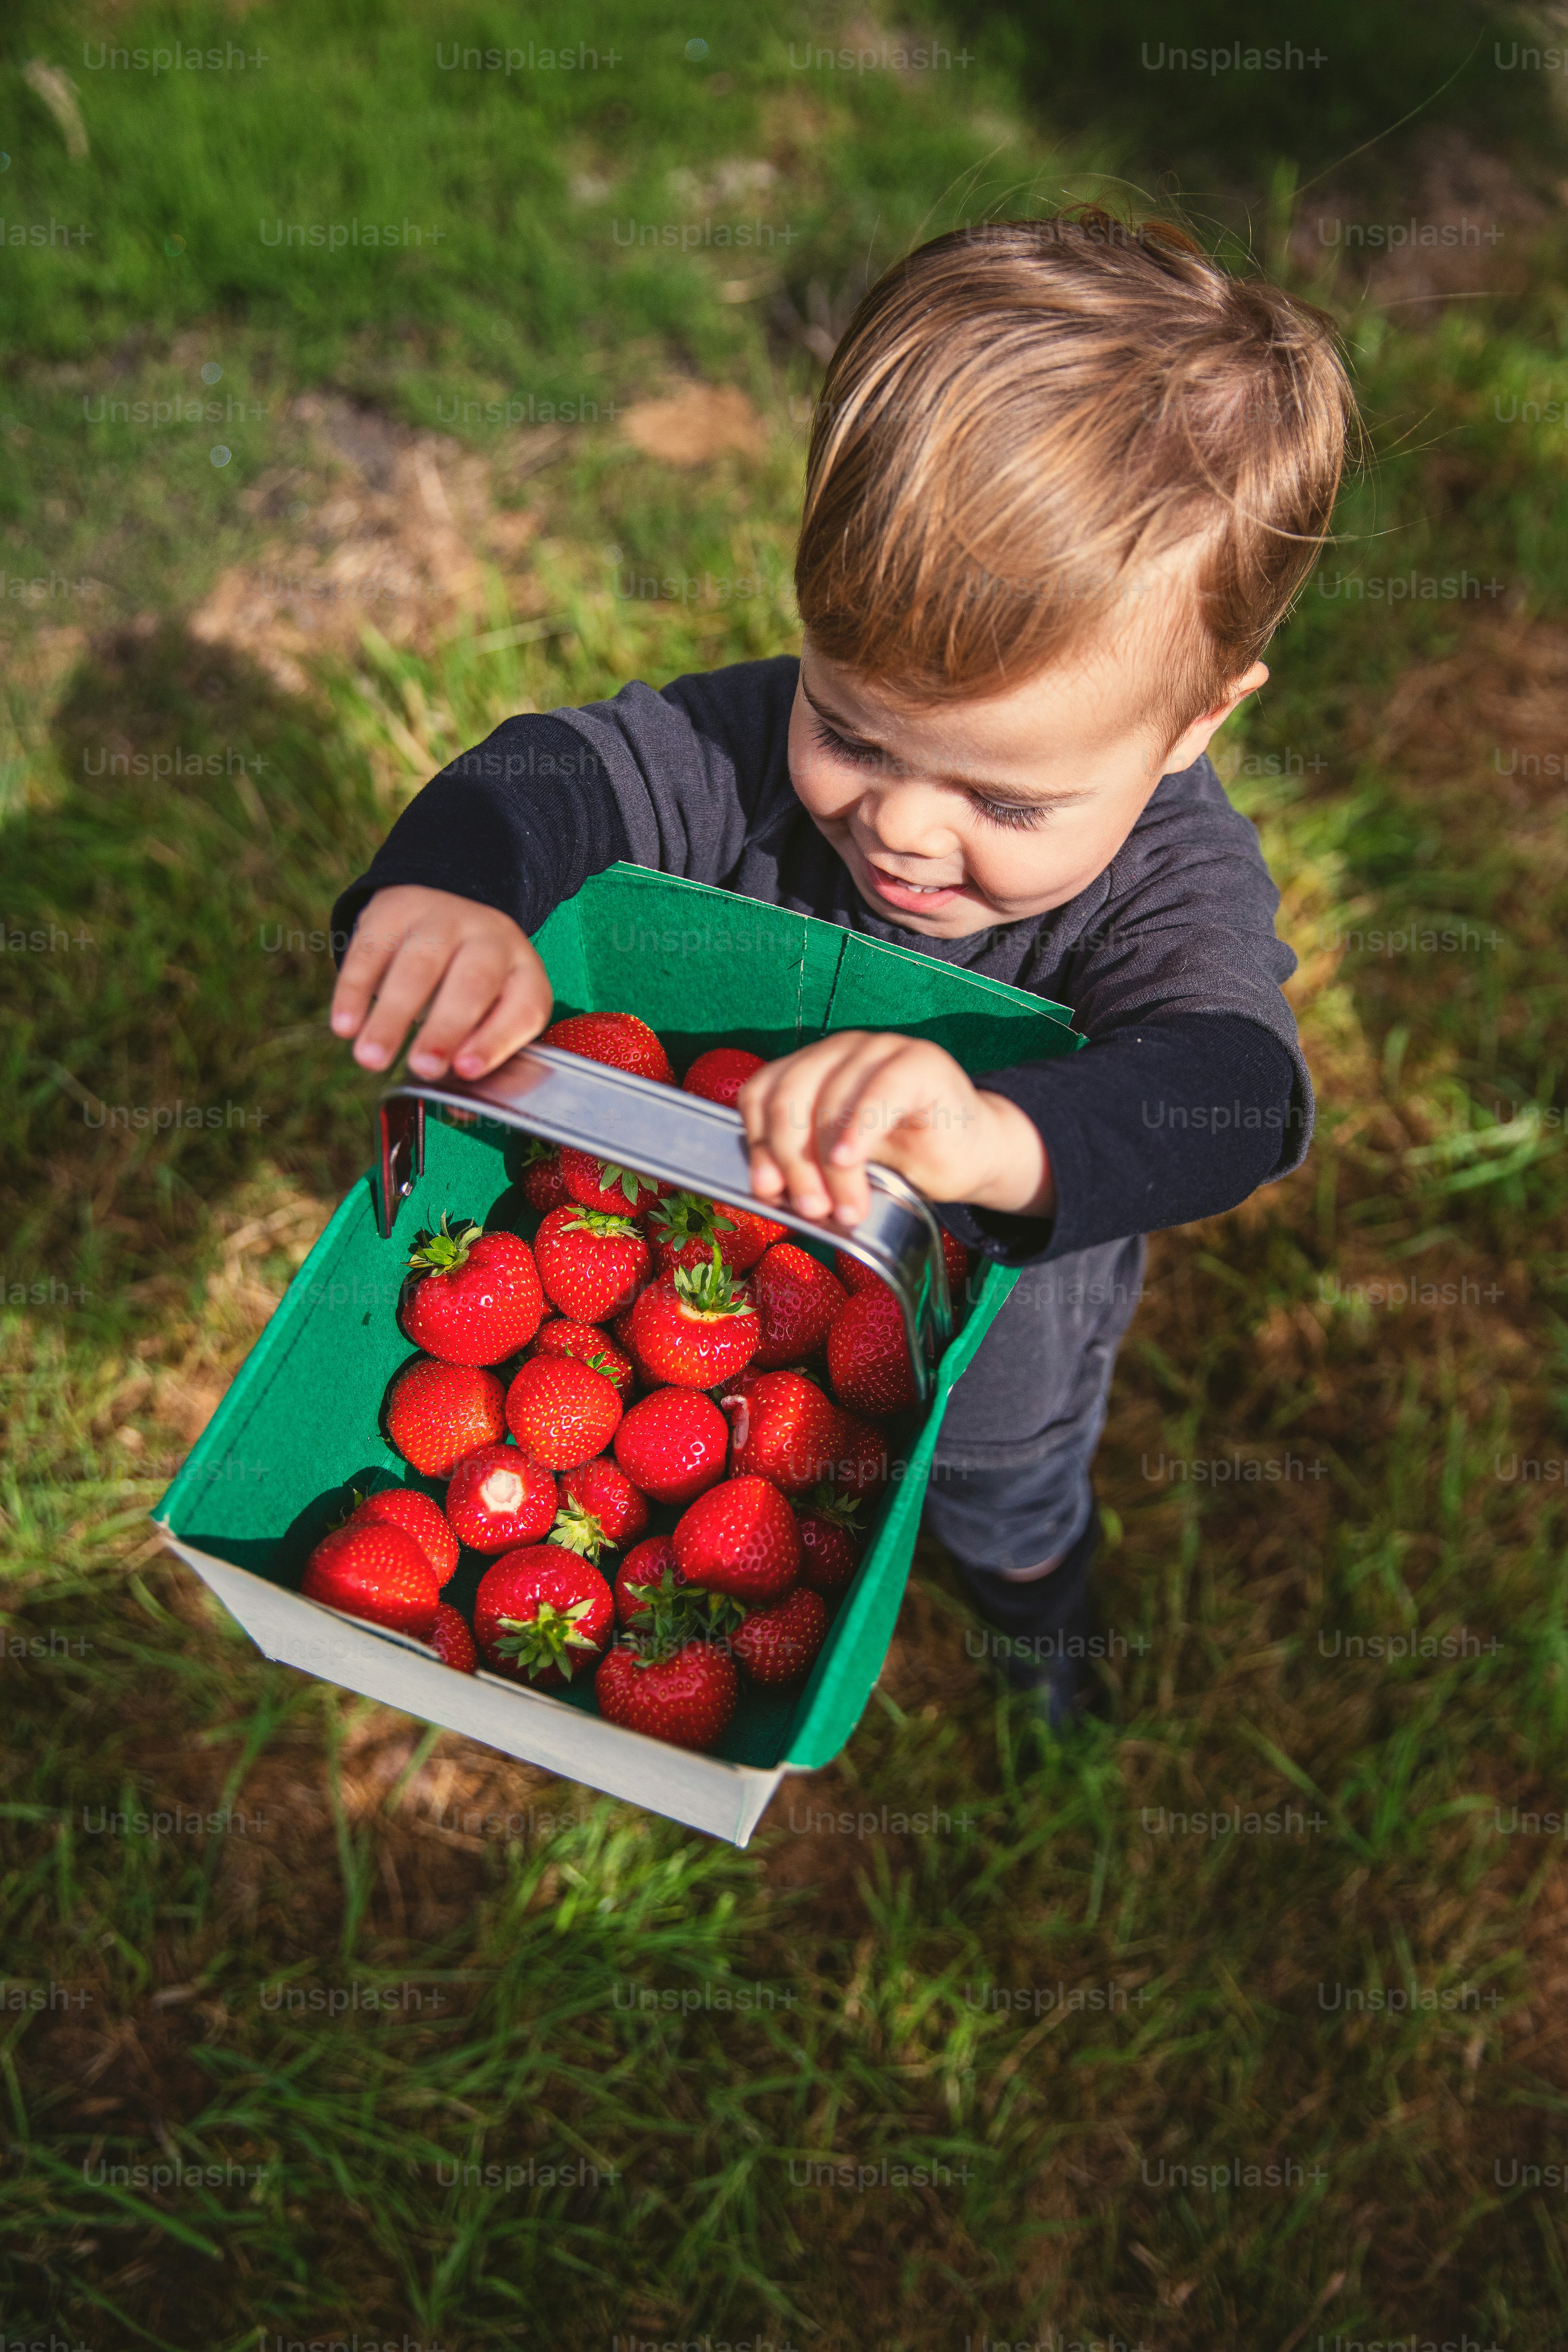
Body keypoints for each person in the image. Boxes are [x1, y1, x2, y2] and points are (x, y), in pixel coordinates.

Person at [327, 210, 1354, 1732]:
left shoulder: (1169, 882)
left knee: (1004, 1489)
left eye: (1006, 802)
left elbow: (1236, 1092)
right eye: (854, 732)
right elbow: (564, 773)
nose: (903, 828)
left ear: (1199, 719)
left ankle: (1034, 1610)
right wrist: (453, 889)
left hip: (998, 1355)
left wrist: (1001, 1136)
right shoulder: (742, 750)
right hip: (707, 1288)